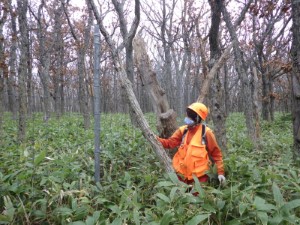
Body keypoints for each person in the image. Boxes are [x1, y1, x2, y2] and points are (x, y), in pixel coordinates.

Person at [157, 102, 225, 186]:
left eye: (191, 116)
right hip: (180, 175)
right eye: (188, 114)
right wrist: (155, 139)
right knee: (180, 196)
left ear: (198, 118)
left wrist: (220, 172)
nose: (188, 117)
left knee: (196, 198)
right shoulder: (183, 130)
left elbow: (216, 154)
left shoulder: (206, 133)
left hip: (199, 177)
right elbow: (169, 143)